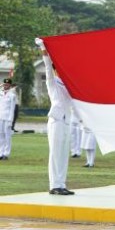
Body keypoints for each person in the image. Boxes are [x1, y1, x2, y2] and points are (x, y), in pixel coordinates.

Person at [36, 38, 74, 195]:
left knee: (64, 154)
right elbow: (47, 69)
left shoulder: (69, 85)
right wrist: (44, 50)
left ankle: (61, 184)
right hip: (56, 120)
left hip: (66, 121)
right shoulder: (53, 83)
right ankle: (54, 185)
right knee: (55, 153)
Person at [0, 78, 18, 160]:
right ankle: (1, 152)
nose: (5, 86)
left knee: (7, 136)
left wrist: (10, 121)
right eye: (4, 84)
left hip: (7, 118)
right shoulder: (0, 93)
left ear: (10, 85)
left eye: (7, 85)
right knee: (1, 136)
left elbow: (12, 109)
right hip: (0, 117)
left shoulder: (12, 95)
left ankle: (6, 154)